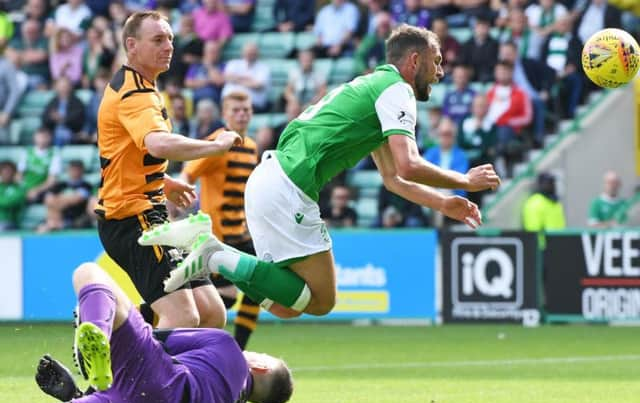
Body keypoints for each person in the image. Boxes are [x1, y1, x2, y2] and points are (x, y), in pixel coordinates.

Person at [140, 24, 501, 319]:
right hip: (288, 187)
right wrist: (465, 181)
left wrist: (443, 204)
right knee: (322, 300)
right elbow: (409, 163)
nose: (440, 73)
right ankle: (214, 252)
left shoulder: (370, 87)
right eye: (436, 62)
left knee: (285, 306)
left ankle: (214, 253)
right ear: (414, 59)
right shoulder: (397, 90)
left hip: (268, 179)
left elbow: (394, 178)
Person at [0, 262, 293, 403]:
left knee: (89, 274)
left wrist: (117, 318)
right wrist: (76, 396)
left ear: (262, 366)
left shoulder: (227, 349)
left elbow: (155, 339)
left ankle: (97, 331)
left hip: (161, 385)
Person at [94, 11, 243, 329]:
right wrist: (215, 146)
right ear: (131, 45)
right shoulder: (136, 94)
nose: (169, 46)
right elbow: (158, 144)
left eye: (171, 39)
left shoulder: (137, 85)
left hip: (151, 213)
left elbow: (126, 154)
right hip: (132, 219)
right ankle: (132, 367)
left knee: (212, 314)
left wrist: (164, 181)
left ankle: (122, 330)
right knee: (183, 317)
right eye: (158, 40)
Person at [179, 91, 262, 350]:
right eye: (236, 110)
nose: (242, 114)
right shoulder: (218, 142)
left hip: (240, 234)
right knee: (217, 300)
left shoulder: (250, 146)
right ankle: (190, 344)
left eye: (246, 109)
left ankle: (237, 349)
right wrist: (179, 196)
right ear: (225, 115)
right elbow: (189, 171)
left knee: (258, 288)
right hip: (215, 239)